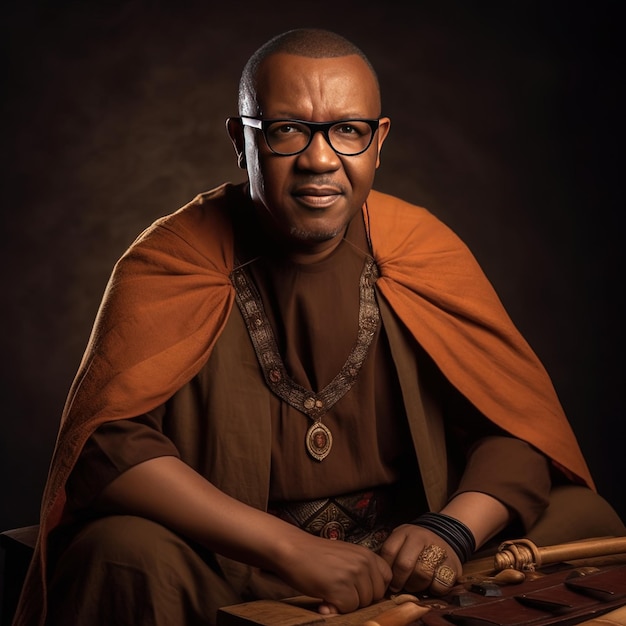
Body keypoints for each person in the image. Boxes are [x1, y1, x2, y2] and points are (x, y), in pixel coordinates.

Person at [13, 27, 625, 626]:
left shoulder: (419, 249)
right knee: (119, 555)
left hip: (408, 558)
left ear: (378, 141)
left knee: (583, 516)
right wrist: (289, 548)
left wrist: (450, 530)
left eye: (348, 131)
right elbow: (106, 445)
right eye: (286, 131)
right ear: (240, 139)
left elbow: (513, 424)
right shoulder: (173, 260)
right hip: (230, 563)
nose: (320, 159)